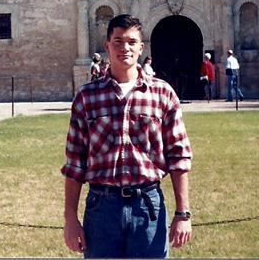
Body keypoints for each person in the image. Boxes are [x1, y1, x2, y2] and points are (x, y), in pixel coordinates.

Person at [62, 14, 193, 258]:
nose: (125, 48)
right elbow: (74, 163)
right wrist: (70, 219)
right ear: (107, 45)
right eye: (118, 41)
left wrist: (182, 213)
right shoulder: (86, 97)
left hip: (148, 206)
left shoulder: (163, 94)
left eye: (132, 42)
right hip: (101, 208)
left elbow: (179, 156)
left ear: (142, 47)